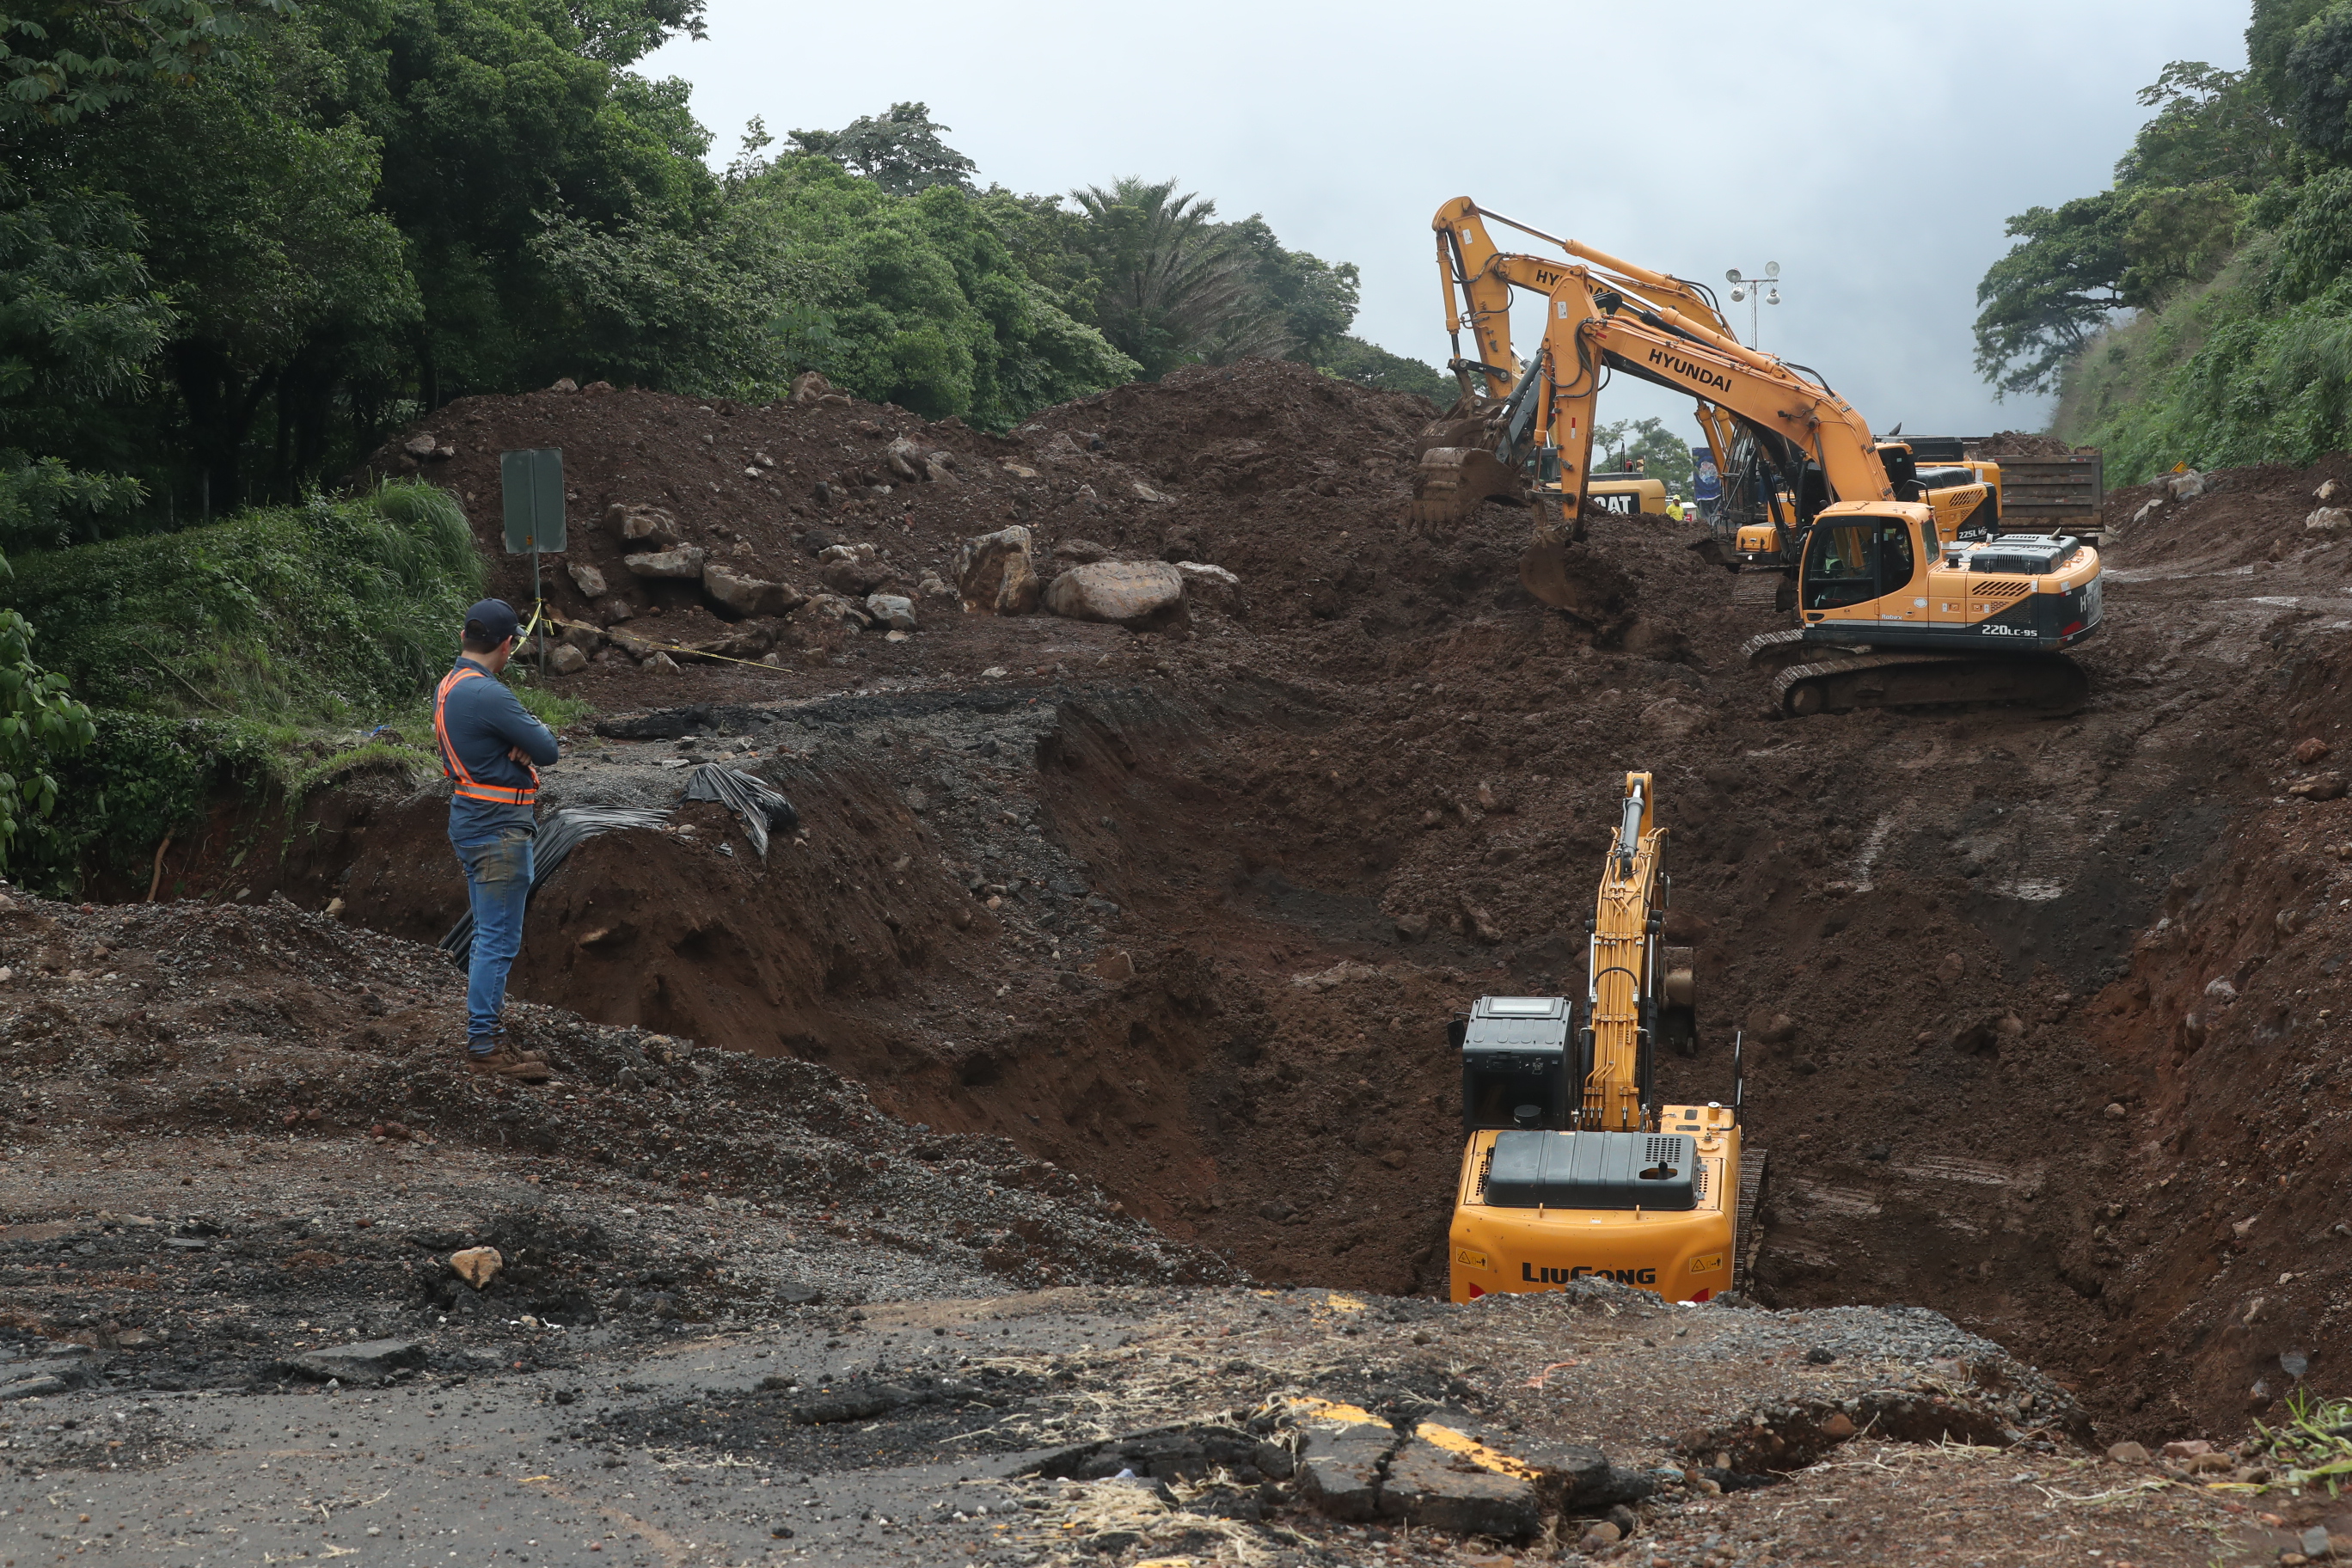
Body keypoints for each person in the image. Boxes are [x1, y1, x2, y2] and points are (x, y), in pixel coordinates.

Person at [435, 599, 559, 1081]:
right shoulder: (489, 696)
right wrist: (530, 739)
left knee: (492, 935)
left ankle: (487, 1038)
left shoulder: (451, 684)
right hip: (498, 829)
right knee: (497, 940)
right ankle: (484, 1046)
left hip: (472, 819)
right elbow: (547, 748)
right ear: (507, 643)